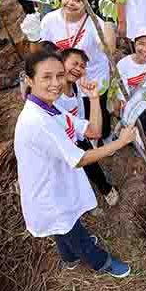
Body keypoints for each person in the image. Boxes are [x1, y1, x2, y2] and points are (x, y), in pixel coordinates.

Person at [14, 51, 138, 278]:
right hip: (48, 196)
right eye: (46, 77)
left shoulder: (50, 106)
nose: (55, 83)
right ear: (30, 81)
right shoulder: (37, 121)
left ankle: (69, 258)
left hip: (56, 183)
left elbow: (93, 131)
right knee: (72, 230)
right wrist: (120, 143)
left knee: (63, 228)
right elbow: (80, 158)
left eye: (59, 76)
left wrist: (92, 98)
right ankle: (102, 262)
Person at [40, 0, 116, 139]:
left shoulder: (95, 23)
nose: (71, 3)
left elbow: (108, 49)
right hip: (66, 78)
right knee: (75, 111)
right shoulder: (49, 20)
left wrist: (109, 17)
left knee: (97, 107)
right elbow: (45, 48)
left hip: (93, 78)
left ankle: (105, 136)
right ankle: (83, 138)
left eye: (78, 0)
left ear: (87, 3)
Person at [56, 48, 120, 206]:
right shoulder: (54, 96)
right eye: (75, 63)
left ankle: (105, 188)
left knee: (91, 165)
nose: (78, 69)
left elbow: (81, 113)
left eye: (82, 66)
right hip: (63, 142)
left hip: (77, 135)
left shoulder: (75, 87)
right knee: (81, 165)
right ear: (61, 64)